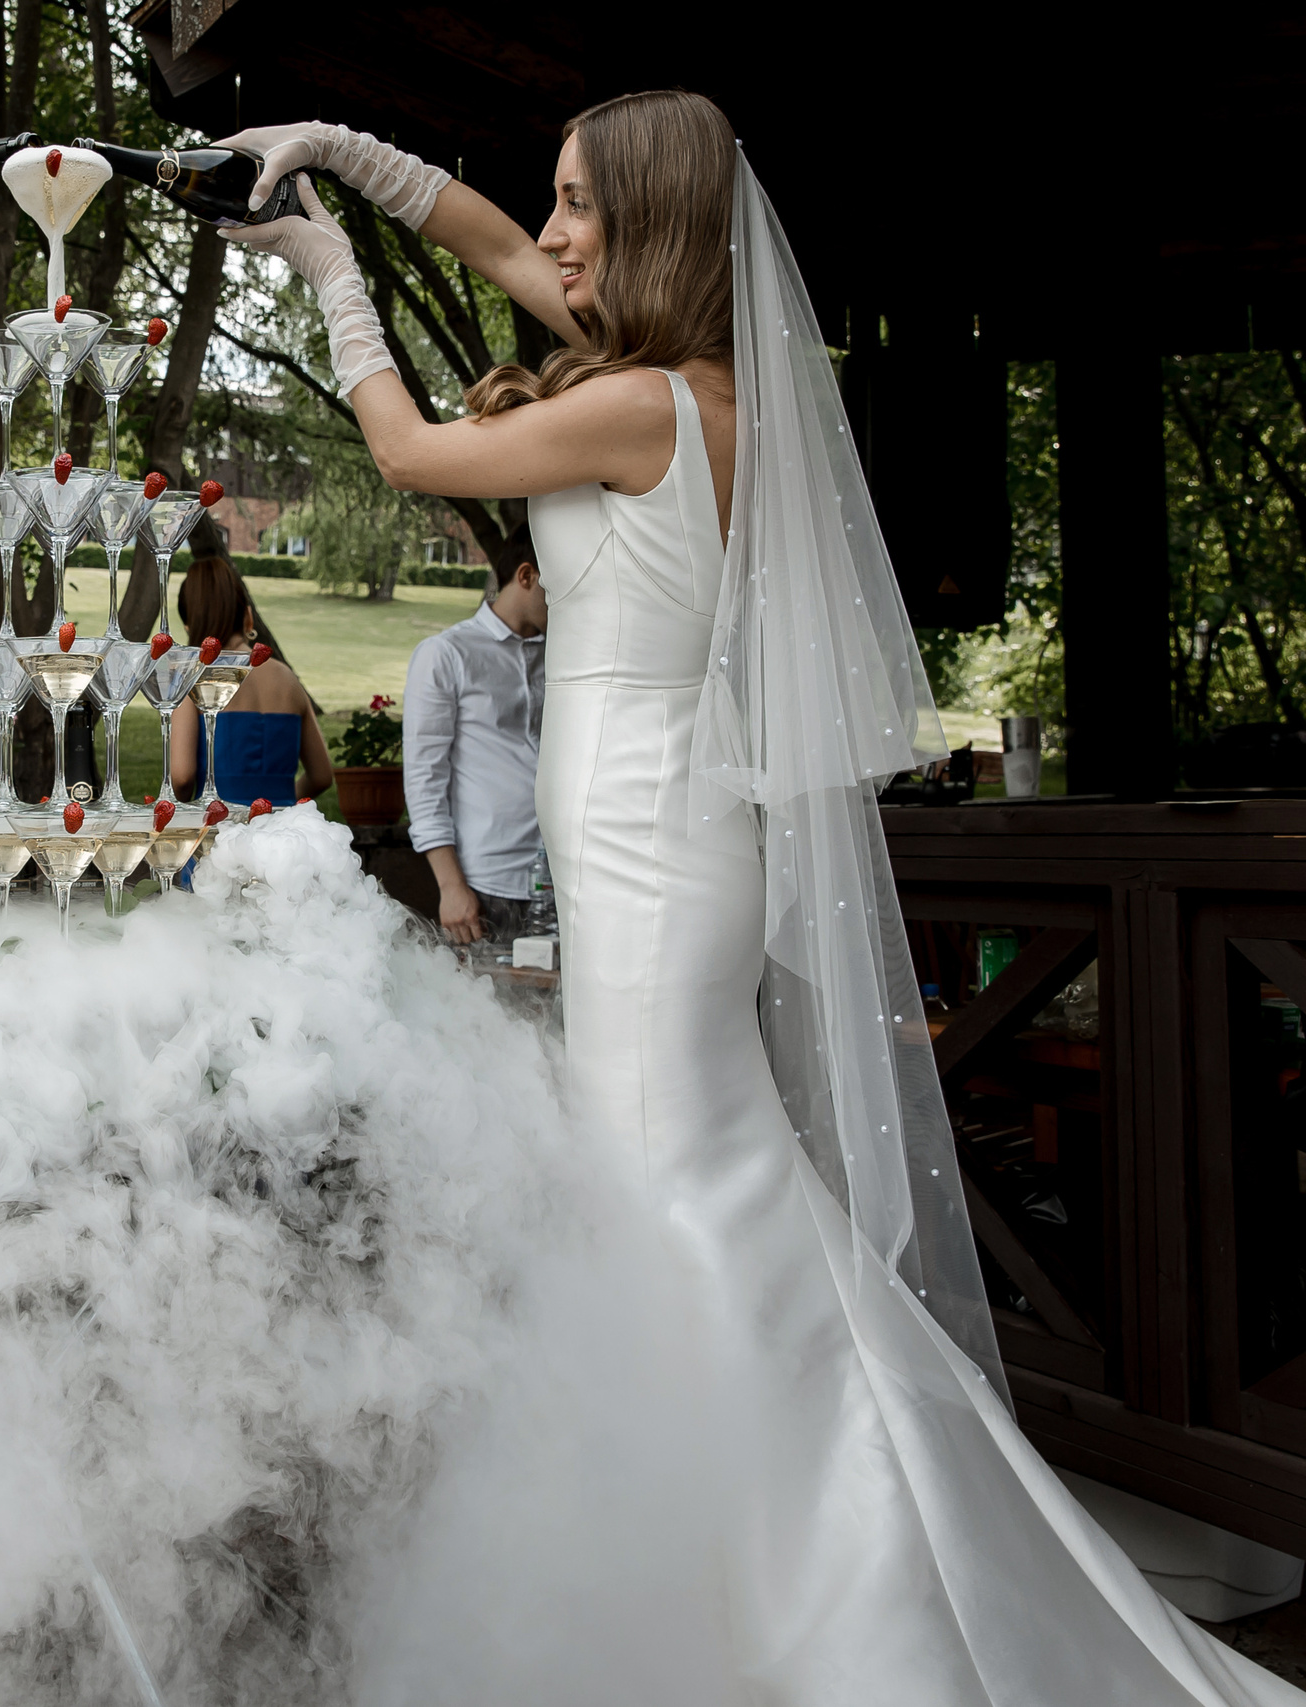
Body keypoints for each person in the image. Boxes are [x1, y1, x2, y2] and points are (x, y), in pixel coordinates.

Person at [227, 95, 1305, 1702]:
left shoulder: (647, 405)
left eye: (586, 202)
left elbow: (406, 450)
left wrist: (328, 273)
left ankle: (776, 1584)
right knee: (706, 1189)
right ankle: (783, 1530)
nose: (558, 231)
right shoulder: (702, 388)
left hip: (659, 862)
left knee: (665, 1196)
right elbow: (502, 246)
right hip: (657, 849)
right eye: (555, 199)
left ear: (657, 225)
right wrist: (347, 153)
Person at [402, 525, 545, 945]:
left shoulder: (566, 654)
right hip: (485, 883)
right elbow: (424, 778)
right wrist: (450, 886)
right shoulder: (446, 654)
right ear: (526, 576)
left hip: (564, 879)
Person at [168, 553, 334, 806]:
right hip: (282, 830)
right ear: (247, 616)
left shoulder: (193, 677)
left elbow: (181, 776)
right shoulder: (286, 677)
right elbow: (321, 775)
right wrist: (280, 807)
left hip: (219, 830)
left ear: (190, 624)